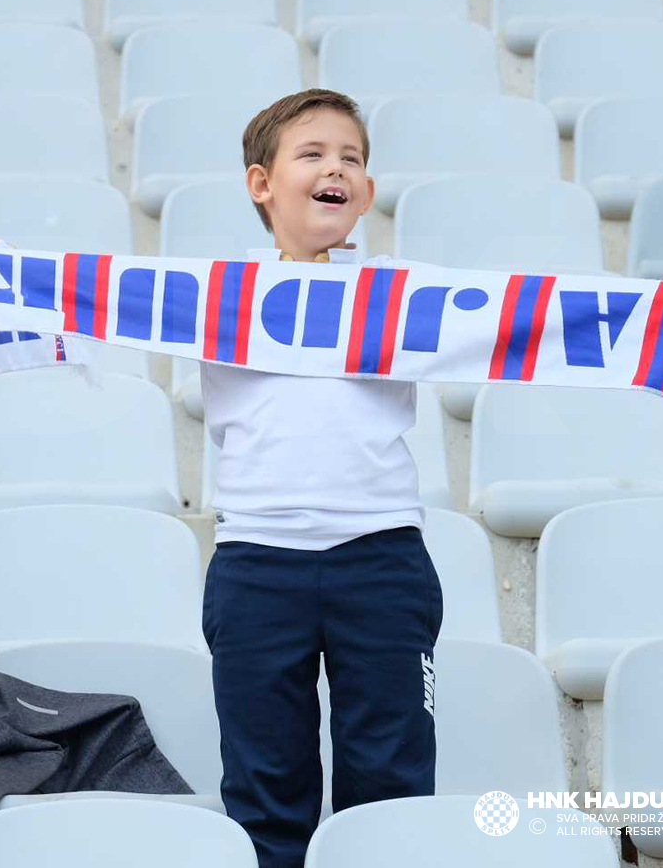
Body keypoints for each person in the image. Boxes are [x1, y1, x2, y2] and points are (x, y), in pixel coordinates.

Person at [200, 89, 444, 868]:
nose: (336, 168)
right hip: (255, 565)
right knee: (265, 788)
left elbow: (538, 321)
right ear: (261, 184)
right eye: (313, 154)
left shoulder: (405, 292)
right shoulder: (207, 292)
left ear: (366, 193)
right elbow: (81, 295)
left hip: (383, 559)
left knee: (392, 786)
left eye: (353, 159)